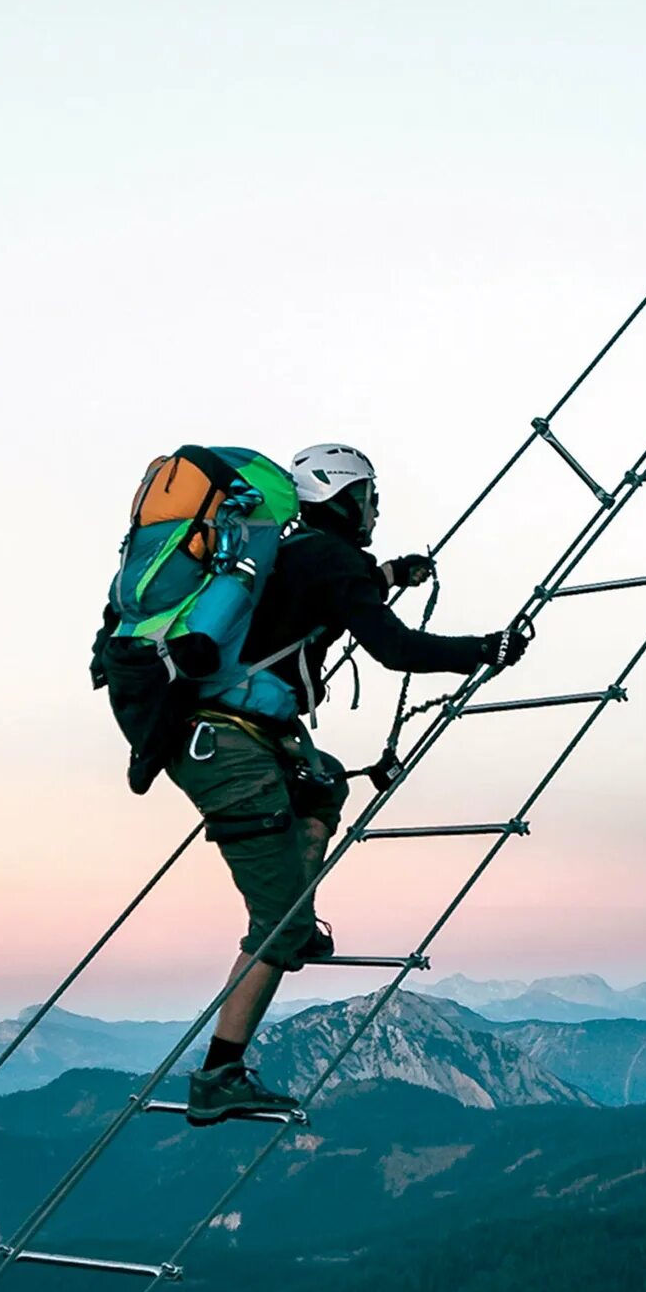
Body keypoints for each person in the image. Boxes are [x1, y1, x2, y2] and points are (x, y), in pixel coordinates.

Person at [170, 442, 533, 1125]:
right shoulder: (330, 561)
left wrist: (390, 573)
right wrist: (488, 650)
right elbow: (396, 648)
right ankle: (220, 1073)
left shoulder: (289, 553)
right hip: (234, 745)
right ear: (341, 496)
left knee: (324, 782)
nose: (374, 508)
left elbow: (319, 597)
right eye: (368, 495)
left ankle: (296, 927)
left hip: (229, 731)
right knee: (273, 921)